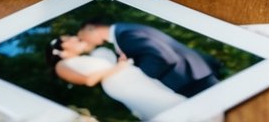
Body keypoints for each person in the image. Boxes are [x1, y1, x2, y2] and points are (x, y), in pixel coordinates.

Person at [48, 34, 187, 120]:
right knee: (159, 103)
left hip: (130, 75)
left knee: (165, 96)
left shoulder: (87, 57)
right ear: (61, 47)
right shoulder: (61, 66)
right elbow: (89, 81)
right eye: (69, 38)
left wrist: (120, 62)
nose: (74, 38)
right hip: (119, 84)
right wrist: (118, 67)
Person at [77, 21, 220, 99]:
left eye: (82, 37)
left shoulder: (124, 35)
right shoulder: (125, 29)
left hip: (187, 79)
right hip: (193, 73)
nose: (84, 41)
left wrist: (133, 66)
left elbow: (160, 57)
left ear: (91, 28)